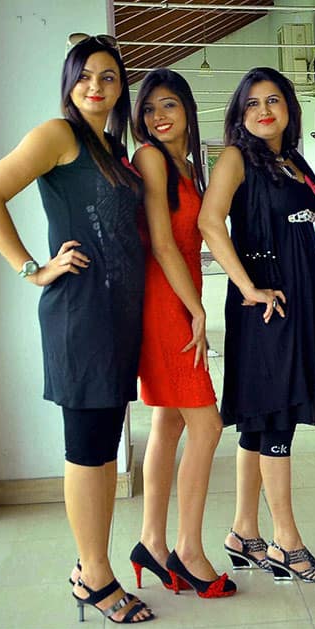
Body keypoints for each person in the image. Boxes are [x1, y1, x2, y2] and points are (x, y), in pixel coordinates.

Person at [0, 34, 153, 623]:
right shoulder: (60, 134)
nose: (96, 87)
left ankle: (90, 567)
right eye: (85, 76)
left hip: (117, 321)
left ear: (121, 87)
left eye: (108, 77)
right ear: (69, 84)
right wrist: (33, 269)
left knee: (104, 453)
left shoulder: (112, 147)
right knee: (86, 452)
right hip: (79, 318)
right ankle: (94, 576)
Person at [198, 67, 315, 584]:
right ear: (239, 113)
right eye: (252, 102)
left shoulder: (295, 161)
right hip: (267, 301)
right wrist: (248, 286)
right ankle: (287, 543)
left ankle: (243, 533)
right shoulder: (236, 157)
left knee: (259, 420)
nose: (263, 110)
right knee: (275, 415)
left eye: (273, 100)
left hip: (298, 295)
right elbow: (210, 221)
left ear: (289, 110)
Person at [129, 68, 236, 598]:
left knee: (168, 421)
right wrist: (196, 309)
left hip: (178, 293)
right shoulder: (150, 158)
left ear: (188, 110)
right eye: (149, 110)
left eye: (168, 105)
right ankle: (188, 550)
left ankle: (151, 541)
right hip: (164, 298)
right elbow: (163, 243)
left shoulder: (186, 165)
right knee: (207, 425)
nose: (159, 117)